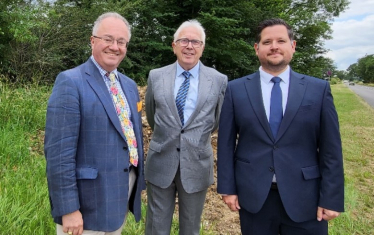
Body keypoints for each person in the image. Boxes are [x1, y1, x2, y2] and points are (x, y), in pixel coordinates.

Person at [217, 18, 344, 235]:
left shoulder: (318, 90)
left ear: (292, 46)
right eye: (267, 42)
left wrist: (331, 198)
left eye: (281, 40)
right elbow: (226, 144)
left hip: (307, 198)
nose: (274, 46)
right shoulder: (235, 90)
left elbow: (331, 149)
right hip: (255, 198)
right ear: (257, 49)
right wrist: (227, 189)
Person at [44, 12, 145, 235]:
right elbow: (59, 154)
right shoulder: (70, 82)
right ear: (92, 41)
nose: (114, 47)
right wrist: (68, 209)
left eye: (121, 42)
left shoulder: (128, 85)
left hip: (121, 190)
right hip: (87, 201)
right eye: (107, 39)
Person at [144, 19, 228, 235]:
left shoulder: (218, 80)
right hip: (161, 160)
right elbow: (153, 116)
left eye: (195, 42)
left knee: (191, 226)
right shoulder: (156, 76)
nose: (189, 46)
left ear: (202, 47)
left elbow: (216, 121)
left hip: (197, 164)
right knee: (156, 226)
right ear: (174, 46)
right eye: (184, 41)